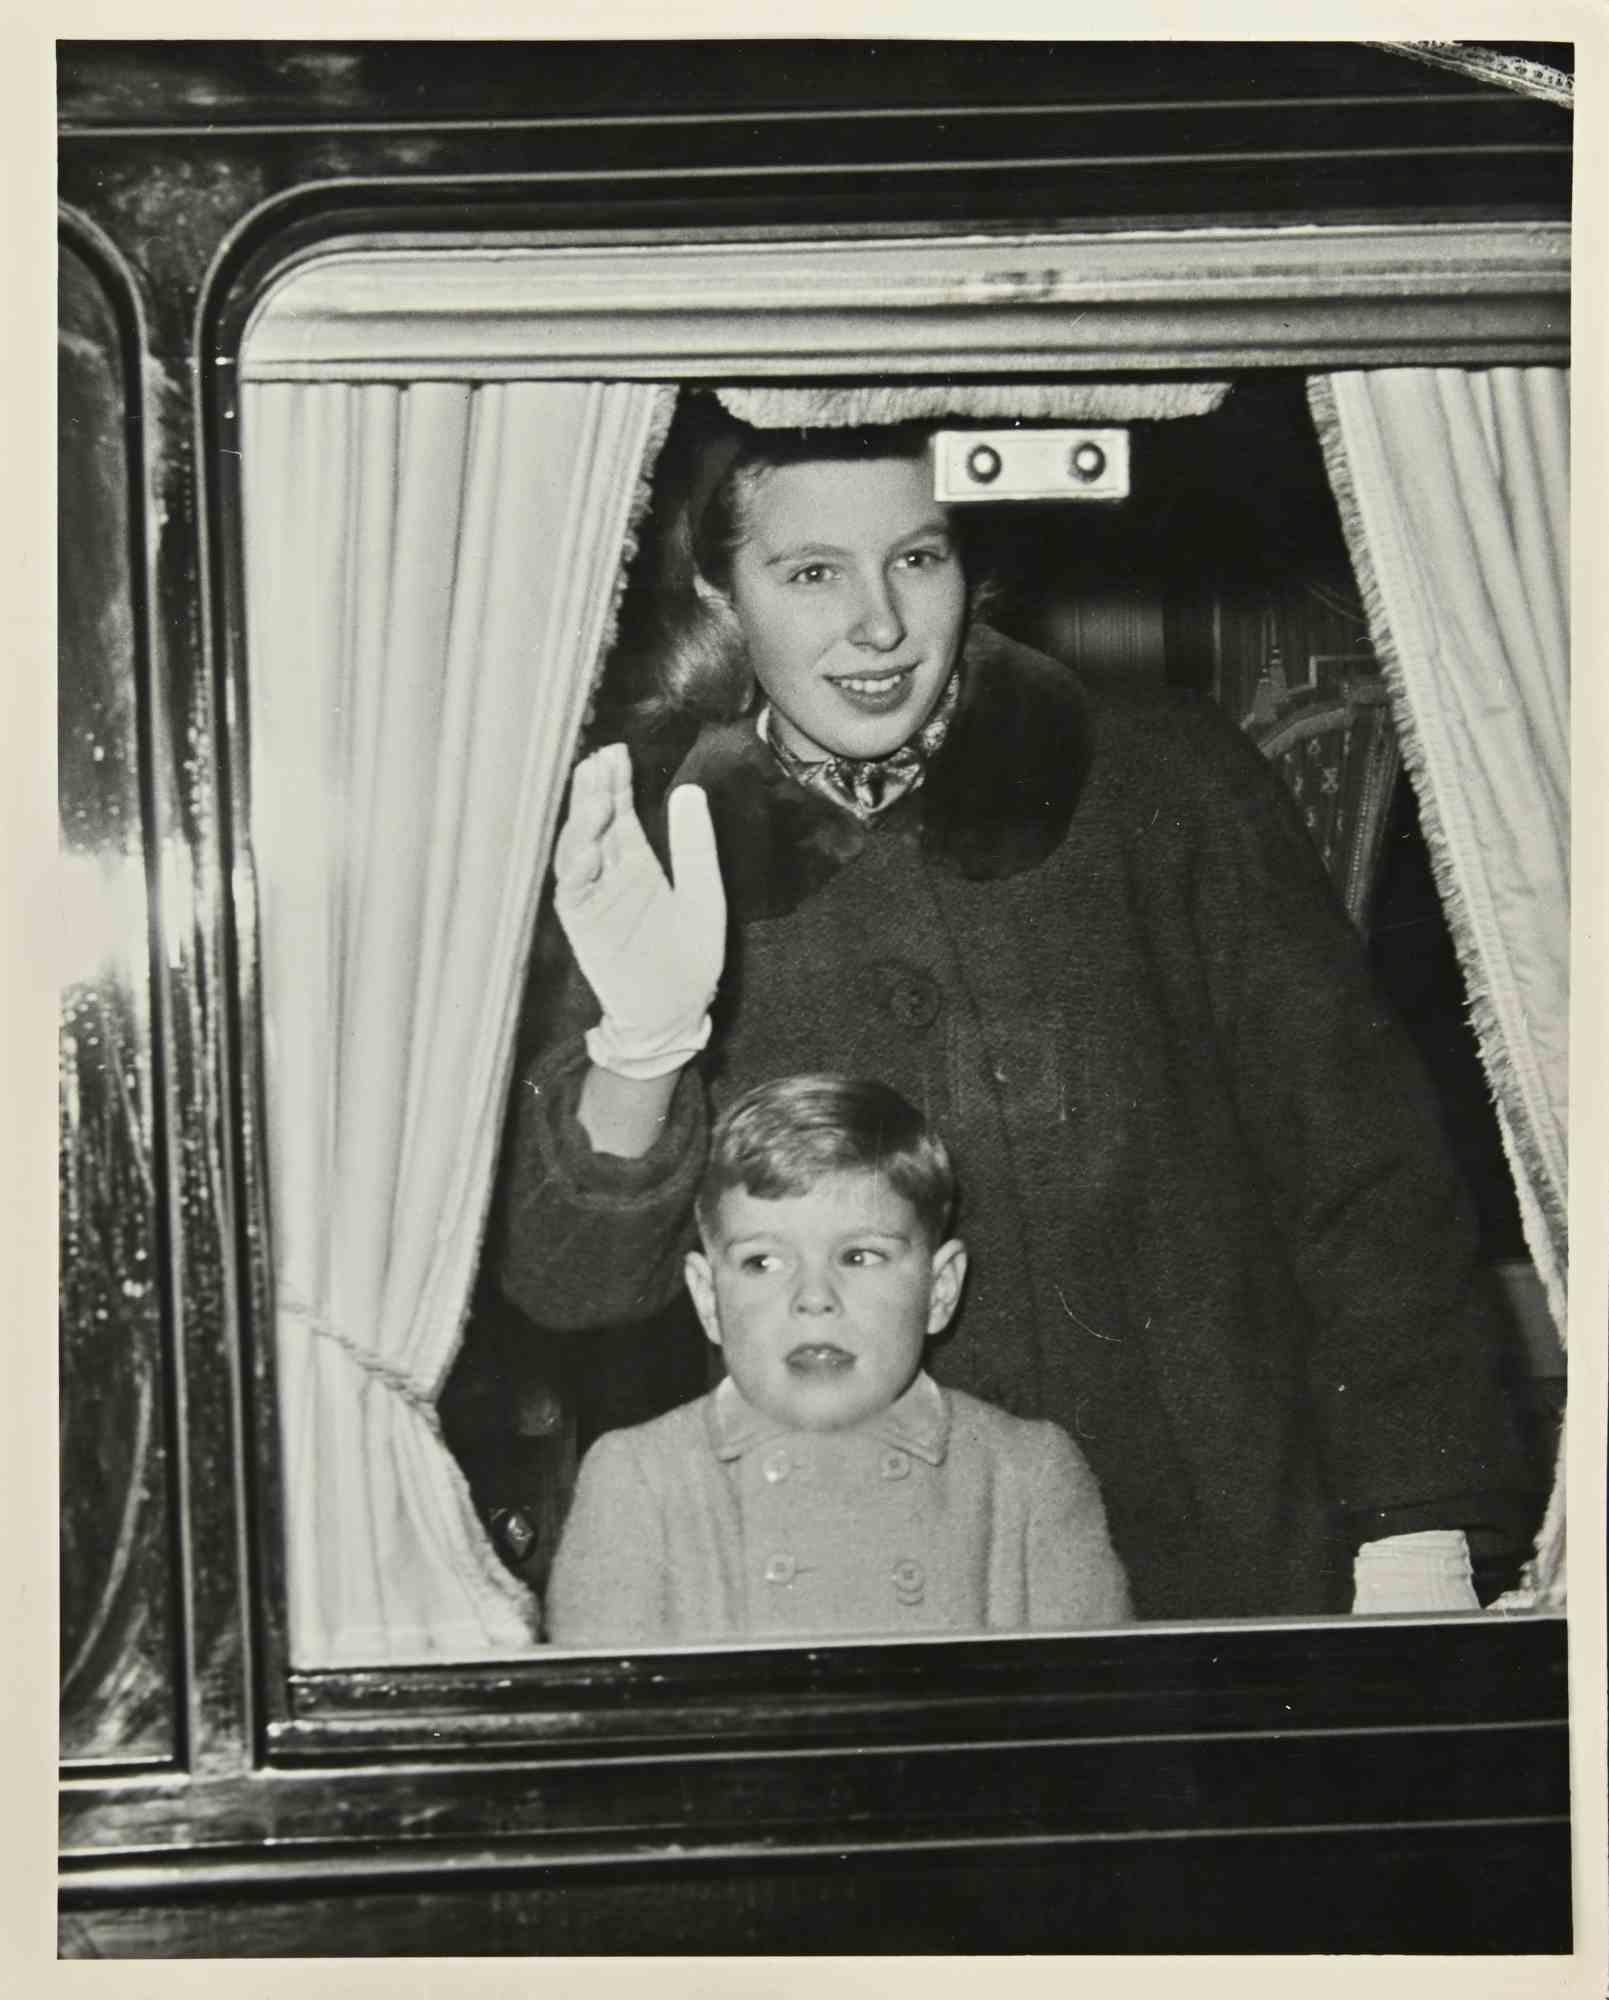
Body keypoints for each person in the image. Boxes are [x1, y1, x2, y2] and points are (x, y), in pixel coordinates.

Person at [498, 406, 1535, 1623]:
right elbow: (571, 1286)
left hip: (1213, 1576)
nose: (877, 624)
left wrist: (1413, 1527)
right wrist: (644, 1048)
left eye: (918, 556)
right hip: (828, 1603)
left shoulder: (1166, 785)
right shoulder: (649, 849)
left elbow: (1364, 1179)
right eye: (811, 571)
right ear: (722, 592)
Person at [545, 1074, 1132, 1645]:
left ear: (941, 1289)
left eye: (859, 1256)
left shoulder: (1025, 1475)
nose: (814, 1298)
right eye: (763, 1263)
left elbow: (1094, 1719)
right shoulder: (642, 1478)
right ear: (707, 1297)